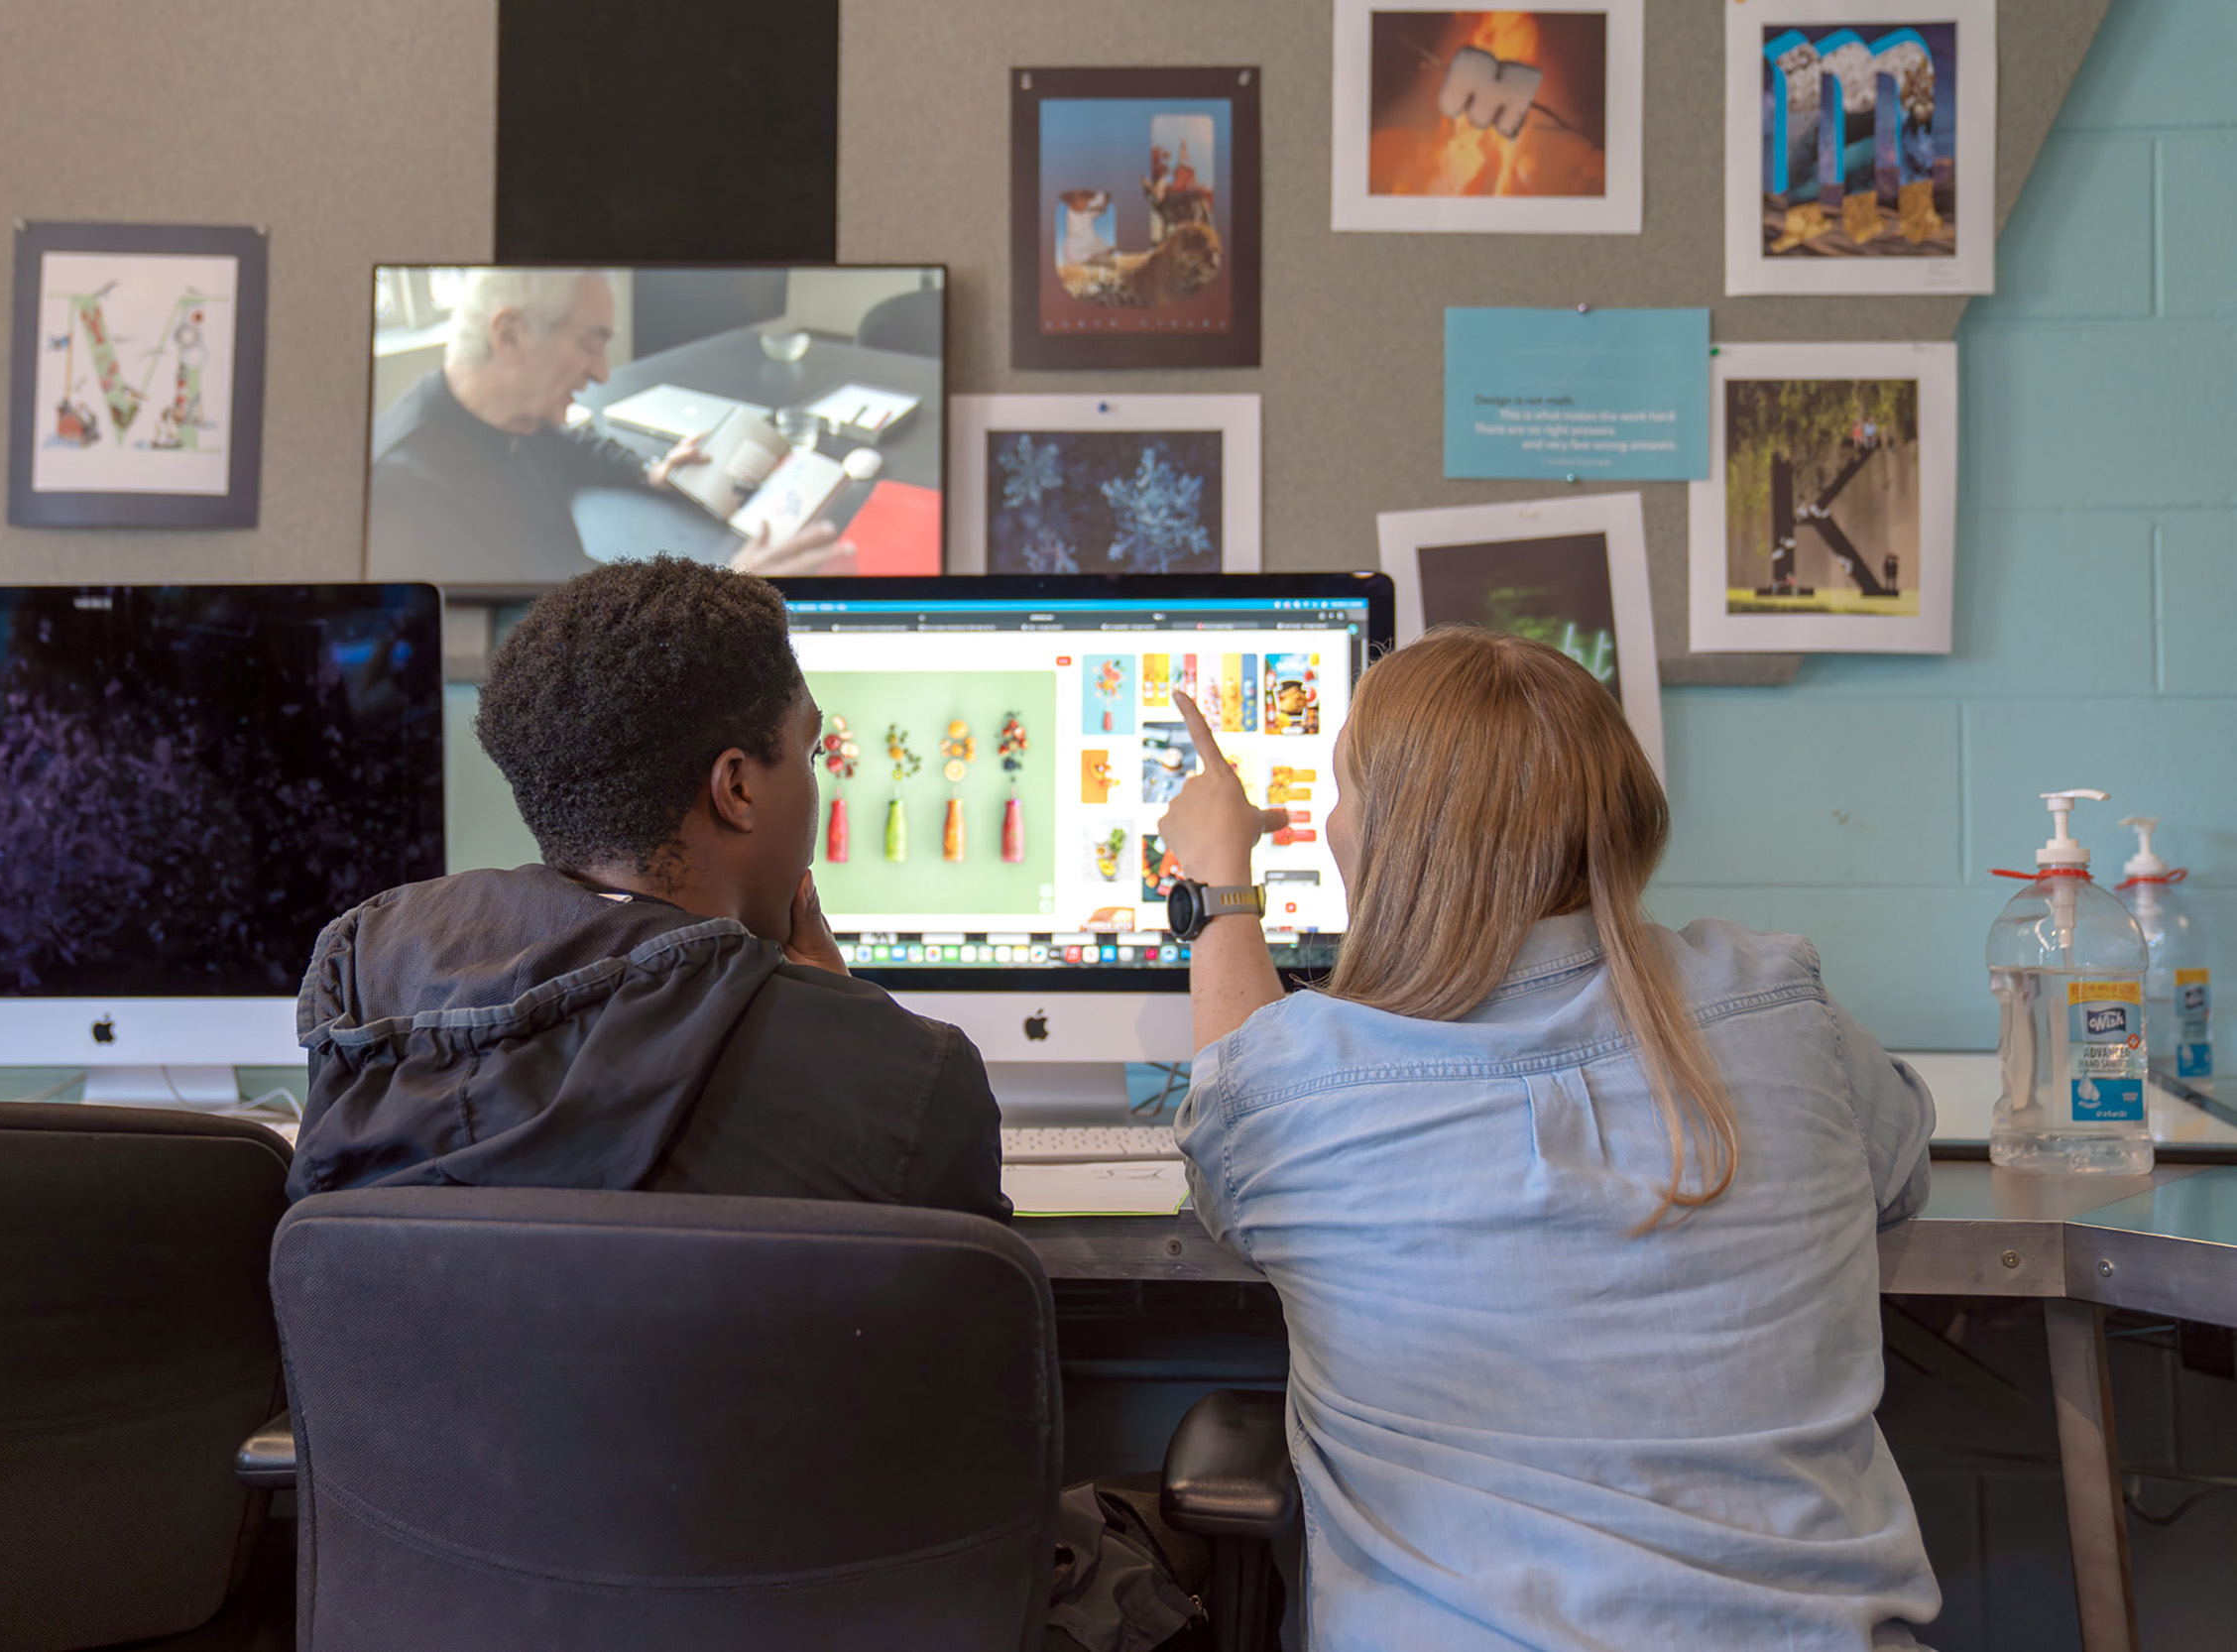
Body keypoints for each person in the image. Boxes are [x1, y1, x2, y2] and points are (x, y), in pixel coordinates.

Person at [1155, 628, 1940, 1649]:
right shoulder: (1780, 1001)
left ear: (1391, 838)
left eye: (1343, 790)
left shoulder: (1294, 1084)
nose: (1331, 823)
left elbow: (1240, 1117)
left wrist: (1221, 884)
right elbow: (1896, 1174)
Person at [288, 556, 1004, 1220]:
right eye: (811, 753)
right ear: (738, 787)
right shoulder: (913, 1082)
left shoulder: (367, 992)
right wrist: (849, 1030)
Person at [367, 268, 849, 579]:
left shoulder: (517, 418)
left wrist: (651, 471)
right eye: (589, 344)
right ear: (510, 336)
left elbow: (575, 447)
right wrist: (728, 588)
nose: (601, 372)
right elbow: (542, 652)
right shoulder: (405, 491)